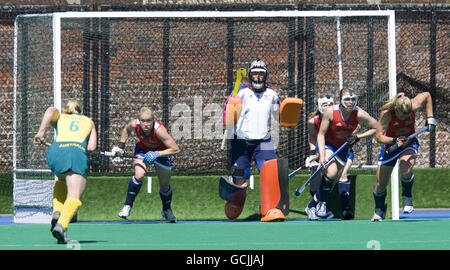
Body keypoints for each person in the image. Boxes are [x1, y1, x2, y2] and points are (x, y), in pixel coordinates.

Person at [221, 59, 283, 221]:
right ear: (250, 75)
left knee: (270, 172)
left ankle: (271, 209)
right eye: (255, 73)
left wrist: (285, 110)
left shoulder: (272, 94)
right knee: (240, 175)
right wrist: (229, 109)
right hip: (240, 139)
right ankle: (238, 201)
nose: (258, 77)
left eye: (261, 74)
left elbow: (279, 117)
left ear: (266, 76)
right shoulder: (240, 93)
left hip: (263, 139)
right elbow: (227, 117)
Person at [34, 100, 97, 244]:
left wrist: (41, 132)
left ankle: (57, 211)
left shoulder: (61, 116)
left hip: (55, 152)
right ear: (80, 112)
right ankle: (61, 225)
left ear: (66, 109)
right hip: (75, 152)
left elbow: (50, 110)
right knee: (74, 194)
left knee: (62, 180)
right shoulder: (88, 121)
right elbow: (91, 147)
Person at [371, 92, 436, 221]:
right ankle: (379, 210)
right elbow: (379, 137)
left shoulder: (413, 105)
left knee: (405, 168)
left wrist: (430, 118)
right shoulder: (387, 114)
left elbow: (428, 95)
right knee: (380, 185)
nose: (406, 116)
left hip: (409, 143)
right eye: (403, 114)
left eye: (408, 113)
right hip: (390, 147)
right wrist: (395, 140)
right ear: (396, 108)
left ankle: (407, 197)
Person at [315, 88, 378, 218]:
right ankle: (321, 203)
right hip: (328, 145)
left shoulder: (360, 114)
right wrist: (321, 156)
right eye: (347, 99)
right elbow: (321, 134)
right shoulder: (331, 112)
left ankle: (311, 206)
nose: (350, 102)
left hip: (343, 148)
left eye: (353, 99)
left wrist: (359, 136)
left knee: (334, 179)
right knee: (331, 172)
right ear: (340, 100)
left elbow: (378, 128)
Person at [112, 106, 180, 223]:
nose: (146, 124)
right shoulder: (134, 124)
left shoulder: (159, 130)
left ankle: (166, 210)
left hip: (162, 153)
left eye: (148, 120)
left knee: (164, 186)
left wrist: (156, 154)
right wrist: (121, 146)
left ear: (153, 120)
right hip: (143, 150)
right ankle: (127, 206)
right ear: (139, 120)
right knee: (139, 175)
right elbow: (126, 130)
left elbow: (175, 149)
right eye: (143, 121)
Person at [305, 95, 357, 220]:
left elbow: (352, 132)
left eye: (330, 104)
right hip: (326, 149)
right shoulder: (313, 121)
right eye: (324, 105)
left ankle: (344, 210)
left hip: (344, 151)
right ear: (319, 107)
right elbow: (313, 137)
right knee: (329, 175)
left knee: (342, 174)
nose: (327, 107)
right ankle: (317, 206)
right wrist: (314, 154)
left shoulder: (345, 117)